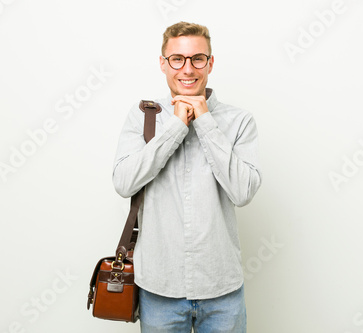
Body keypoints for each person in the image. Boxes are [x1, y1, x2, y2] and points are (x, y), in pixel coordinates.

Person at [113, 21, 261, 333]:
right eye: (177, 59)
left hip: (222, 289)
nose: (187, 69)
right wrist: (177, 127)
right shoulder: (142, 117)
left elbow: (243, 192)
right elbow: (124, 183)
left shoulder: (239, 121)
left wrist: (204, 120)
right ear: (163, 64)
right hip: (159, 288)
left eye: (197, 58)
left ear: (210, 63)